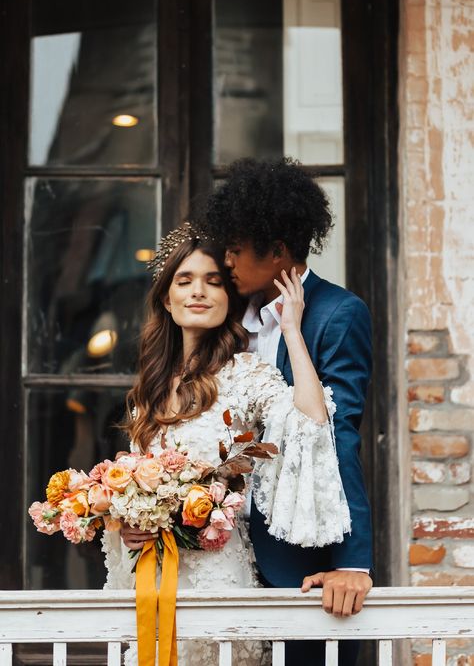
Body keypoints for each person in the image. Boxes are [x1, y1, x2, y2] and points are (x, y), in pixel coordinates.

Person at [102, 225, 351, 666]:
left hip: (217, 572)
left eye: (213, 281)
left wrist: (291, 329)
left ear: (227, 298)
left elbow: (311, 422)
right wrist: (129, 524)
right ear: (167, 298)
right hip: (151, 576)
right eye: (185, 281)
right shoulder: (150, 388)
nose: (199, 292)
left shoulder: (245, 373)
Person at [204, 157, 373, 665]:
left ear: (278, 251)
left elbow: (338, 436)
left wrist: (353, 563)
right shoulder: (225, 317)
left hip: (299, 561)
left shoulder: (339, 314)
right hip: (219, 551)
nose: (226, 264)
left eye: (235, 251)